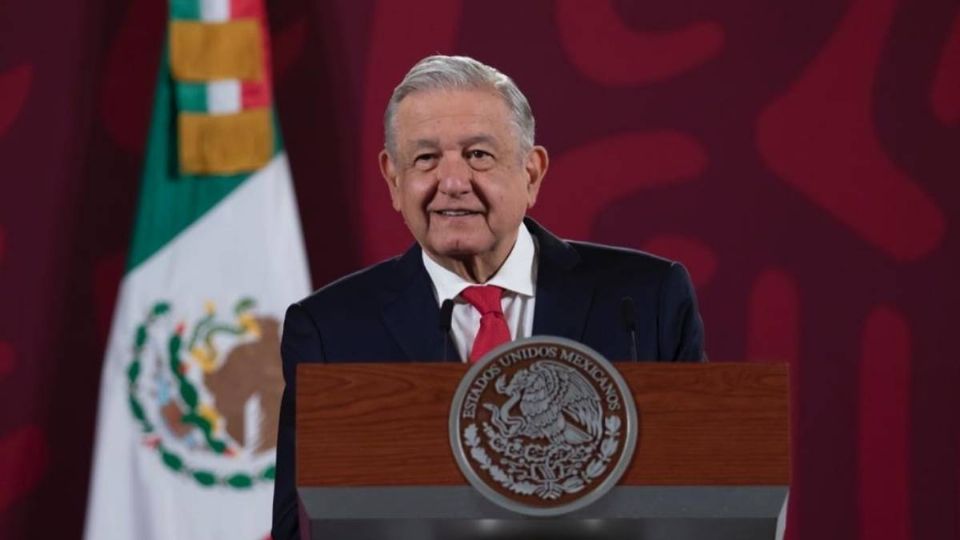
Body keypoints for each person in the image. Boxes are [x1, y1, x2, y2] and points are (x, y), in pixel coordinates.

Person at [271, 54, 705, 539]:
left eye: (478, 155)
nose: (452, 183)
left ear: (532, 172)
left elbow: (707, 496)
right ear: (394, 179)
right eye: (426, 158)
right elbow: (299, 529)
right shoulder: (331, 332)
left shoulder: (644, 302)